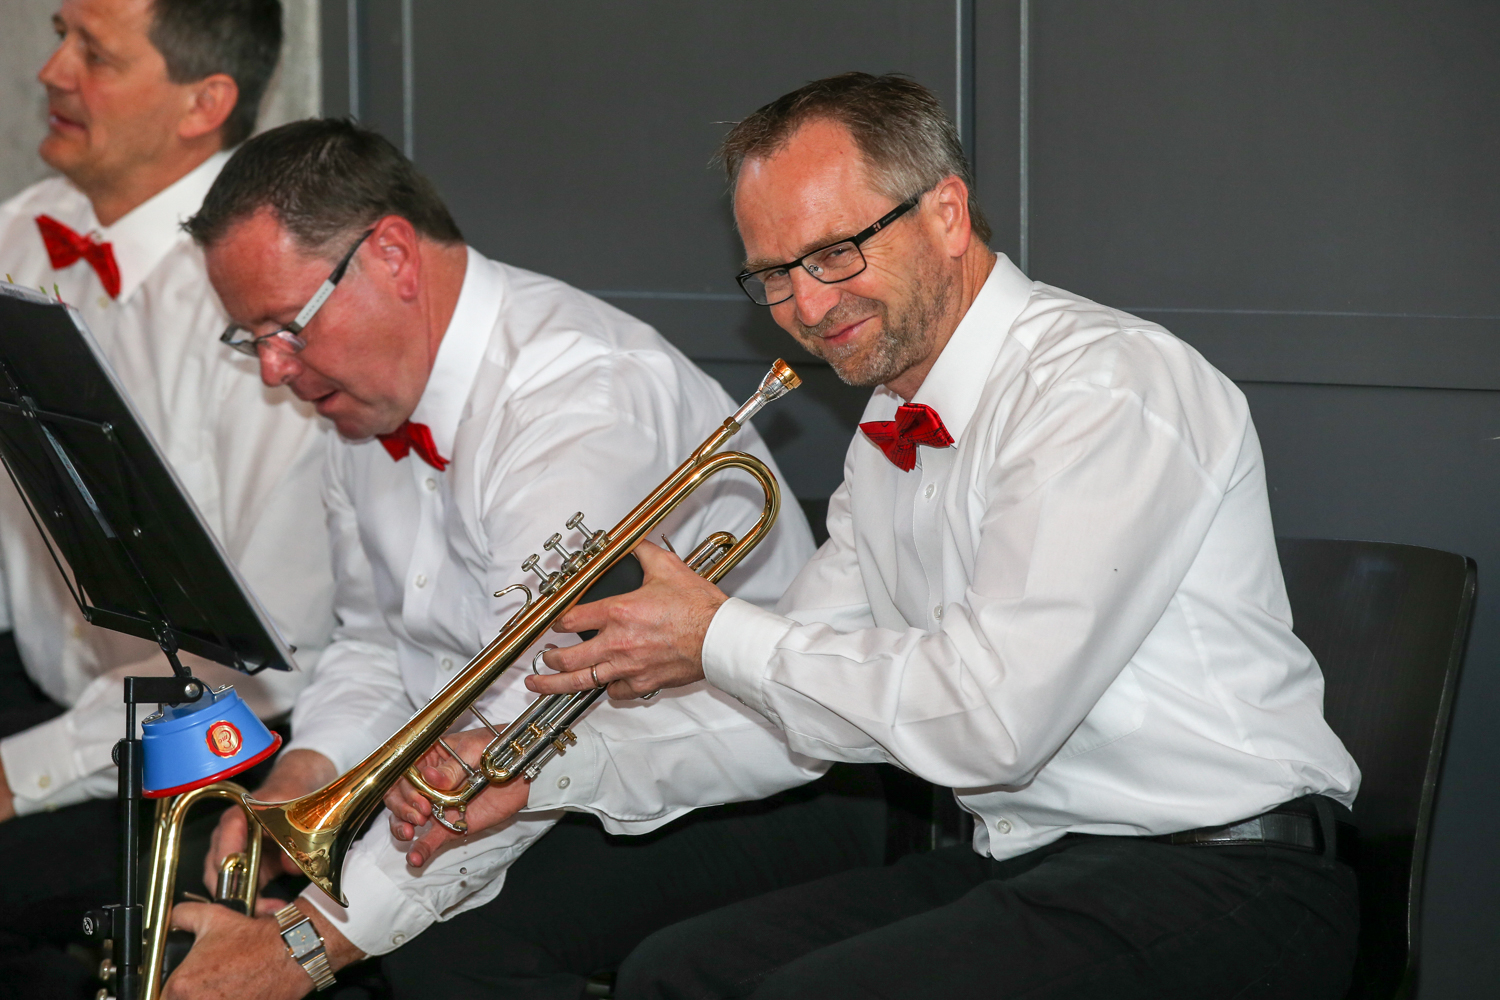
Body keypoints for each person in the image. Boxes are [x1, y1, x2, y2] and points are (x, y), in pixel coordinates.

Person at [523, 72, 1365, 999]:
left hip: (1229, 872)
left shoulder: (1104, 385)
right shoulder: (887, 433)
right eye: (775, 275)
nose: (807, 307)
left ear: (947, 215)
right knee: (676, 974)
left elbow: (992, 722)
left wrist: (717, 634)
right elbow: (786, 703)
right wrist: (541, 778)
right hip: (1034, 858)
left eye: (834, 253)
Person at [162, 118, 885, 1000]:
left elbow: (531, 717)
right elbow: (374, 640)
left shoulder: (580, 399)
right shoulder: (361, 395)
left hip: (743, 778)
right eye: (252, 340)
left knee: (445, 953)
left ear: (391, 256)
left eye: (286, 327)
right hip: (527, 764)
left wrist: (303, 947)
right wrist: (307, 774)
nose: (274, 370)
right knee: (234, 889)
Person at [0, 2, 331, 993]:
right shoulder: (22, 230)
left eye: (94, 52)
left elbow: (263, 657)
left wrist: (19, 775)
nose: (53, 71)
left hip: (216, 741)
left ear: (204, 102)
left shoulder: (269, 298)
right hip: (53, 681)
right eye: (60, 34)